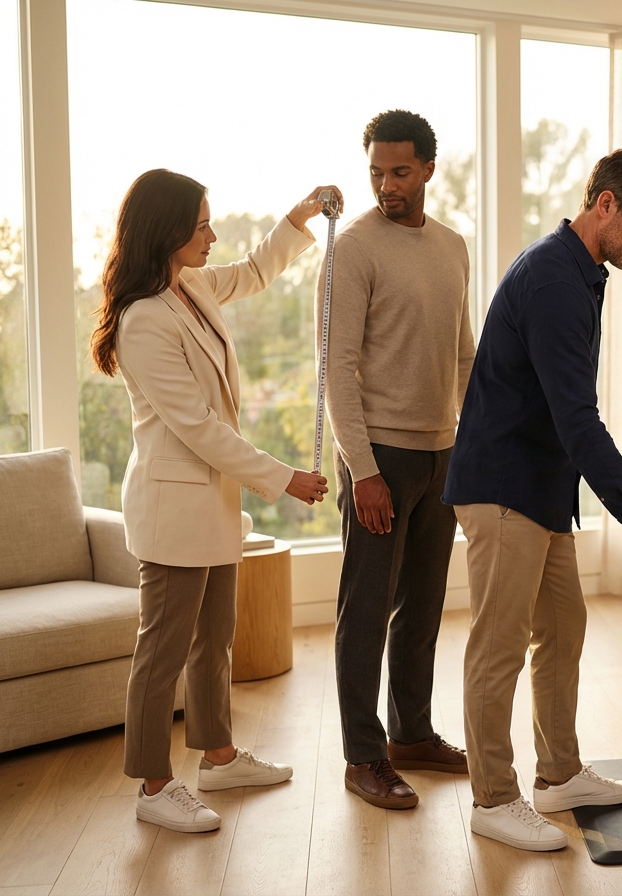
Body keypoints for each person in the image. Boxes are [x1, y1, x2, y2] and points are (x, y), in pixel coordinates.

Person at [442, 148, 622, 852]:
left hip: (539, 484)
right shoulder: (557, 281)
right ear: (606, 205)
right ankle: (493, 799)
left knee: (562, 627)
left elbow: (565, 405)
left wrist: (617, 466)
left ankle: (557, 776)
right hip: (503, 490)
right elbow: (575, 418)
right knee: (497, 648)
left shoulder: (580, 271)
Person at [93, 169, 336, 833]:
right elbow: (198, 427)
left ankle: (220, 758)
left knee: (213, 640)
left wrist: (302, 214)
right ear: (167, 230)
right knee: (163, 651)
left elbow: (256, 271)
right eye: (201, 224)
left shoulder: (191, 285)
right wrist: (282, 476)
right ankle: (152, 785)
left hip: (212, 506)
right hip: (174, 510)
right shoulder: (144, 321)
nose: (212, 234)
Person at [322, 109, 475, 811]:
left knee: (422, 609)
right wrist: (365, 470)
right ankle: (365, 756)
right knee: (365, 612)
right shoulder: (354, 249)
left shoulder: (452, 246)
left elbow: (464, 353)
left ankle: (412, 734)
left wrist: (474, 442)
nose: (387, 185)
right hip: (379, 456)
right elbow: (336, 367)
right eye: (378, 172)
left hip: (442, 454)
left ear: (428, 171)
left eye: (400, 172)